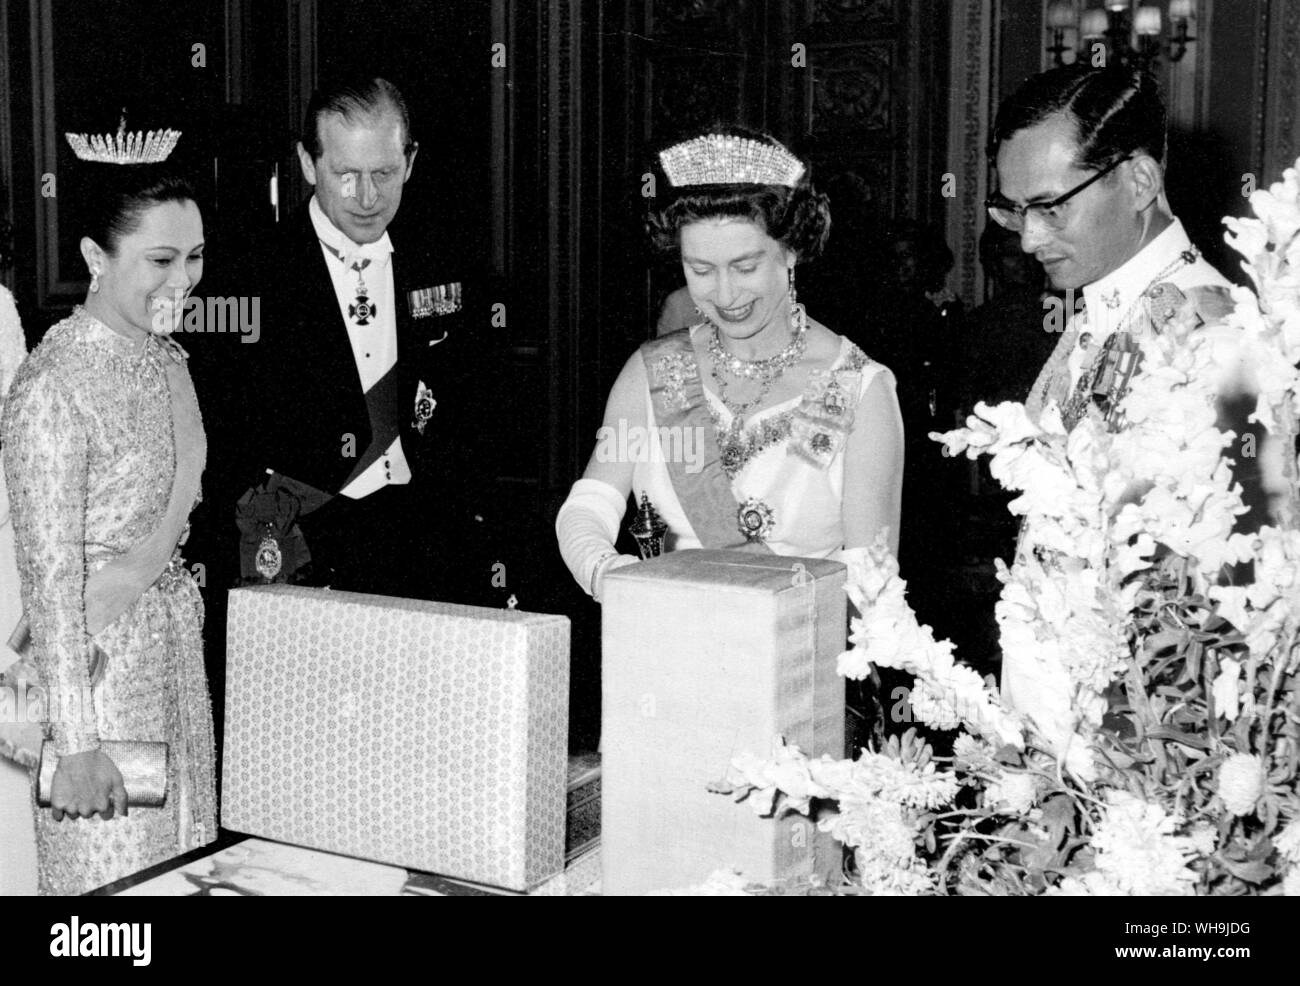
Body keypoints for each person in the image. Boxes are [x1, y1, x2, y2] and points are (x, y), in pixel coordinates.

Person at [985, 64, 1284, 747]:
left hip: (1141, 746)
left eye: (1051, 206)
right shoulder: (1099, 314)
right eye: (1013, 209)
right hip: (1051, 728)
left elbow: (1250, 588)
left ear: (1141, 181)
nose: (1028, 238)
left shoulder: (1220, 341)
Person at [1, 126, 216, 895]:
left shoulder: (164, 358)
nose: (183, 280)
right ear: (96, 258)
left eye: (193, 257)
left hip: (171, 662)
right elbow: (51, 581)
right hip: (93, 689)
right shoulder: (53, 385)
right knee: (110, 909)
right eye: (161, 261)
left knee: (184, 876)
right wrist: (77, 743)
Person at [556, 128, 904, 601]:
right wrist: (617, 579)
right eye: (700, 270)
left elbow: (870, 574)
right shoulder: (654, 371)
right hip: (658, 638)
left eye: (745, 267)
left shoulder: (853, 388)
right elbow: (590, 505)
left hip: (792, 658)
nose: (723, 295)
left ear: (791, 249)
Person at [202, 76, 500, 603]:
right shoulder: (246, 275)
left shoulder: (446, 257)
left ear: (409, 161)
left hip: (424, 536)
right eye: (345, 174)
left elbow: (473, 408)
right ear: (306, 162)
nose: (366, 197)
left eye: (384, 173)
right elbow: (224, 441)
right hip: (306, 541)